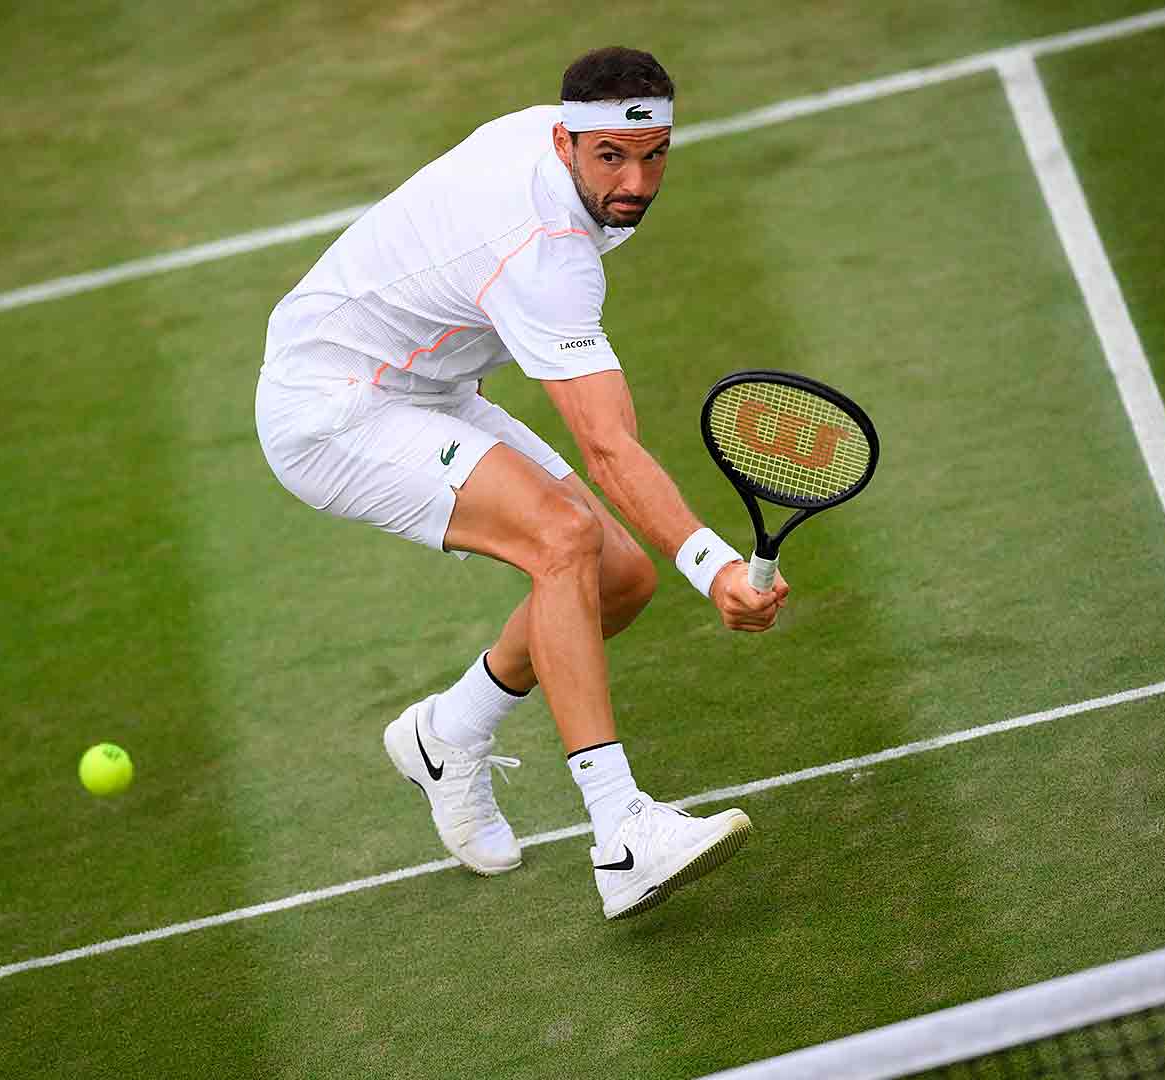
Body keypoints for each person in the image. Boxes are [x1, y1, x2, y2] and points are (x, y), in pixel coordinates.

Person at [255, 46, 788, 920]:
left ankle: (447, 734)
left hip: (421, 385)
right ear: (565, 139)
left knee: (619, 579)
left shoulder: (559, 155)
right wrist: (718, 568)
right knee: (564, 539)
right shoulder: (543, 250)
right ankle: (620, 835)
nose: (636, 182)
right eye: (612, 158)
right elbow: (610, 446)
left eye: (654, 155)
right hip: (333, 411)